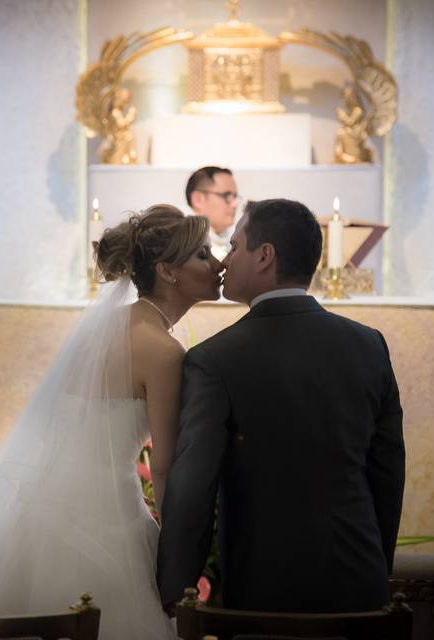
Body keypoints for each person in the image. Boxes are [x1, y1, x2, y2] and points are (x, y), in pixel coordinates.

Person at [0, 205, 223, 639]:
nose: (218, 264)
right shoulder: (162, 351)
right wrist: (176, 556)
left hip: (45, 507)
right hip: (107, 519)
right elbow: (163, 467)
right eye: (203, 255)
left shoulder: (105, 329)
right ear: (167, 271)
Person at [157, 198, 405, 614]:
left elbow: (194, 487)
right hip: (359, 580)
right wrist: (376, 564)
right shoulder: (368, 345)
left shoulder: (215, 359)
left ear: (264, 256)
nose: (225, 260)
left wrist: (174, 591)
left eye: (234, 247)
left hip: (261, 586)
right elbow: (388, 470)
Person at [185, 166, 239, 261]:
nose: (235, 204)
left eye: (235, 196)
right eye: (227, 195)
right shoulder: (181, 242)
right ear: (198, 199)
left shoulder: (233, 236)